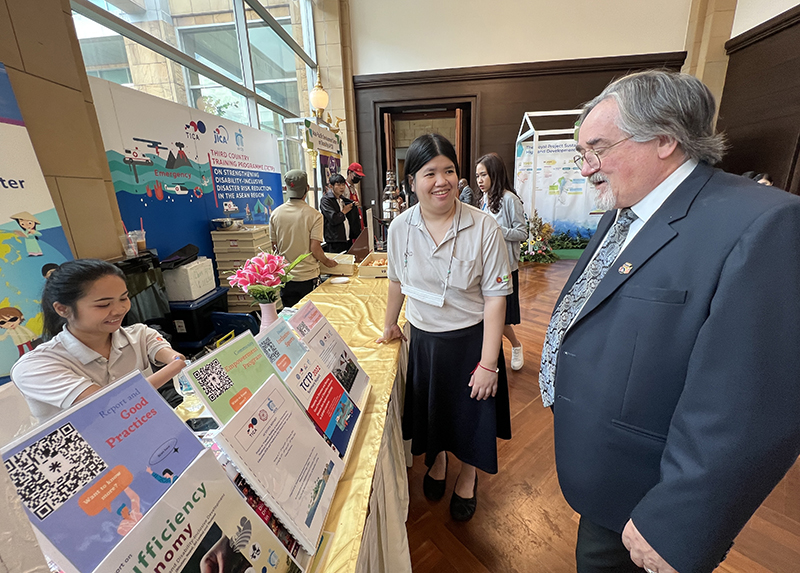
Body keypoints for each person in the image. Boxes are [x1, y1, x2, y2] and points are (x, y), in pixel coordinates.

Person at [538, 70, 800, 573]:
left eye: (597, 149)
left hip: (651, 503)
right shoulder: (626, 207)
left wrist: (679, 522)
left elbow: (752, 403)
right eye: (582, 153)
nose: (587, 168)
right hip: (608, 478)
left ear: (664, 139)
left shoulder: (764, 223)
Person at [377, 133, 512, 522]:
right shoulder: (400, 227)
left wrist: (489, 364)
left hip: (472, 341)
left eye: (449, 170)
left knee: (470, 417)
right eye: (430, 172)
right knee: (435, 415)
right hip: (424, 341)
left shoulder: (484, 227)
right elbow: (396, 282)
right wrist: (390, 325)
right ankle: (437, 462)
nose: (442, 181)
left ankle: (467, 472)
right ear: (411, 182)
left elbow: (495, 298)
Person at [11, 259, 187, 423]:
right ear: (62, 309)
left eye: (124, 298)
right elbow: (109, 405)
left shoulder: (139, 334)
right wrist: (175, 366)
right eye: (103, 305)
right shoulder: (34, 367)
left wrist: (174, 360)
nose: (119, 310)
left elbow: (165, 352)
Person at [475, 153, 527, 370]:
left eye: (483, 175)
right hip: (484, 266)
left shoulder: (509, 199)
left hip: (504, 268)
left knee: (502, 317)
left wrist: (498, 230)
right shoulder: (482, 200)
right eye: (477, 175)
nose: (479, 180)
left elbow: (522, 233)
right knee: (485, 313)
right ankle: (490, 355)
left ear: (494, 174)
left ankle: (516, 346)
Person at [269, 169, 337, 308]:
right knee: (309, 319)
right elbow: (315, 249)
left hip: (286, 278)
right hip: (308, 277)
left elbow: (274, 248)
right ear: (307, 188)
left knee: (290, 316)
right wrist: (327, 261)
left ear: (287, 188)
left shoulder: (275, 214)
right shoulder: (314, 215)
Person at [320, 173, 361, 253]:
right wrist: (344, 211)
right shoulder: (326, 200)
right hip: (334, 240)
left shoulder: (343, 199)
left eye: (343, 184)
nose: (342, 187)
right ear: (331, 186)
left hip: (346, 238)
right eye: (338, 185)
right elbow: (333, 219)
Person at [345, 162, 366, 230]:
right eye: (356, 175)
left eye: (360, 177)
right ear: (350, 172)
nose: (358, 178)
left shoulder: (355, 189)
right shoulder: (344, 188)